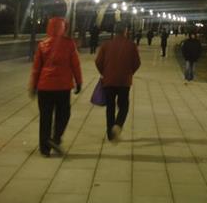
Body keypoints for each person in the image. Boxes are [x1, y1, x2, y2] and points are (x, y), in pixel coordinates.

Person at [29, 17, 82, 157]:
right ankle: (55, 138)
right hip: (63, 87)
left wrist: (33, 86)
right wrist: (79, 82)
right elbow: (75, 65)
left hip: (44, 87)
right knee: (64, 114)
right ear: (63, 28)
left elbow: (36, 68)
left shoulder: (42, 45)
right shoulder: (69, 44)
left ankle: (44, 148)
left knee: (45, 117)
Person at [95, 22, 141, 141]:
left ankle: (110, 134)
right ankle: (118, 124)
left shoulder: (106, 45)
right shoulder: (131, 45)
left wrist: (104, 73)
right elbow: (137, 63)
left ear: (114, 31)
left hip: (109, 80)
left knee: (110, 107)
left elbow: (98, 62)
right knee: (124, 105)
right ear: (125, 31)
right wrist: (129, 72)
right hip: (124, 81)